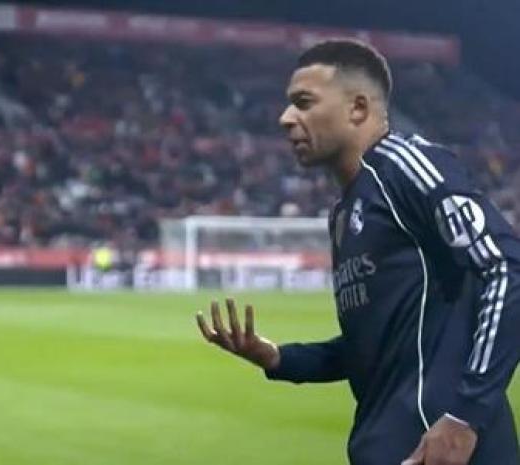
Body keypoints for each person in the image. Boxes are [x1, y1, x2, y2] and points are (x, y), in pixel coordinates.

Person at [195, 39, 519, 465]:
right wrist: (279, 358)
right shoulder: (344, 213)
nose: (285, 118)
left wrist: (465, 416)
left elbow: (507, 269)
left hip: (437, 445)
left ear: (358, 108)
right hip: (384, 445)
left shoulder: (405, 168)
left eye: (304, 102)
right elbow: (373, 344)